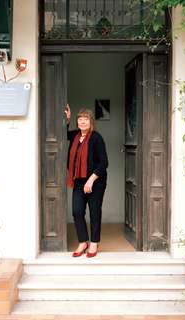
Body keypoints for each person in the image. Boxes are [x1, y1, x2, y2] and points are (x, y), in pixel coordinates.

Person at [64, 104, 108, 258]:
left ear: (91, 122)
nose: (82, 122)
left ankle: (94, 242)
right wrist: (67, 120)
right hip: (78, 181)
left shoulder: (96, 138)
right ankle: (83, 241)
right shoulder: (75, 136)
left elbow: (104, 163)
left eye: (85, 119)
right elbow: (62, 134)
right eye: (80, 119)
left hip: (95, 181)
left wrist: (91, 181)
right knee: (77, 212)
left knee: (94, 212)